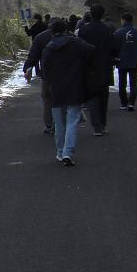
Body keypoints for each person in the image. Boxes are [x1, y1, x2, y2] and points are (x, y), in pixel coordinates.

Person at [41, 18, 95, 165]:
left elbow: (45, 71)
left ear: (52, 32)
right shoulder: (76, 43)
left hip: (56, 89)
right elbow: (91, 50)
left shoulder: (48, 48)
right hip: (75, 87)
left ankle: (60, 152)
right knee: (72, 121)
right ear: (66, 30)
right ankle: (68, 152)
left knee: (59, 123)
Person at [78, 4, 116, 136]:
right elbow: (114, 48)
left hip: (88, 67)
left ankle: (97, 126)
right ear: (102, 14)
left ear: (91, 13)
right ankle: (103, 124)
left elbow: (80, 48)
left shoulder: (84, 30)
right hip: (105, 65)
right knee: (103, 96)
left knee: (92, 96)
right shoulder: (108, 29)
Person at [23, 17, 58, 134]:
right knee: (64, 100)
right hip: (66, 73)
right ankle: (62, 123)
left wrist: (27, 68)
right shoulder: (70, 37)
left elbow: (33, 56)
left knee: (47, 99)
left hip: (47, 73)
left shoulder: (41, 37)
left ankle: (49, 125)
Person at [114, 12, 137, 110]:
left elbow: (115, 48)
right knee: (133, 82)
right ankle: (131, 103)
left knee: (122, 82)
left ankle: (123, 102)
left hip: (122, 60)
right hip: (135, 61)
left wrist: (115, 58)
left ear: (123, 20)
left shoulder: (118, 33)